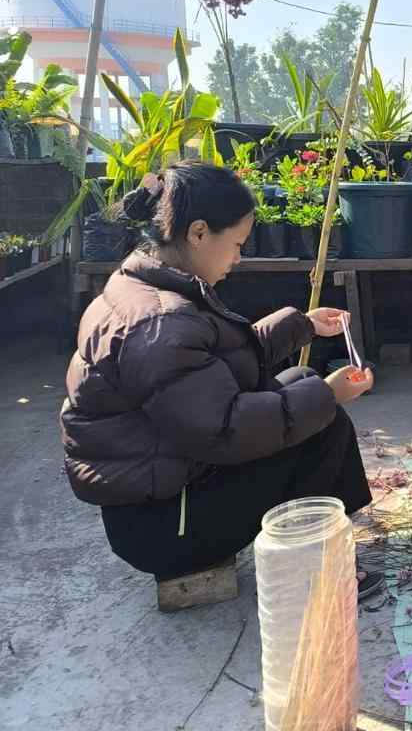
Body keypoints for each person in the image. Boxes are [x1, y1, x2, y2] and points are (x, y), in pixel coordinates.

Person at [61, 161, 381, 593]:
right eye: (235, 244)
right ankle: (315, 562)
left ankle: (323, 534)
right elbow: (226, 429)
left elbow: (212, 369)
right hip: (165, 528)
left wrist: (301, 325)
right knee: (321, 420)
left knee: (302, 378)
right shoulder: (159, 323)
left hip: (161, 496)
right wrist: (329, 395)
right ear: (197, 233)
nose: (238, 258)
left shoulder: (145, 286)